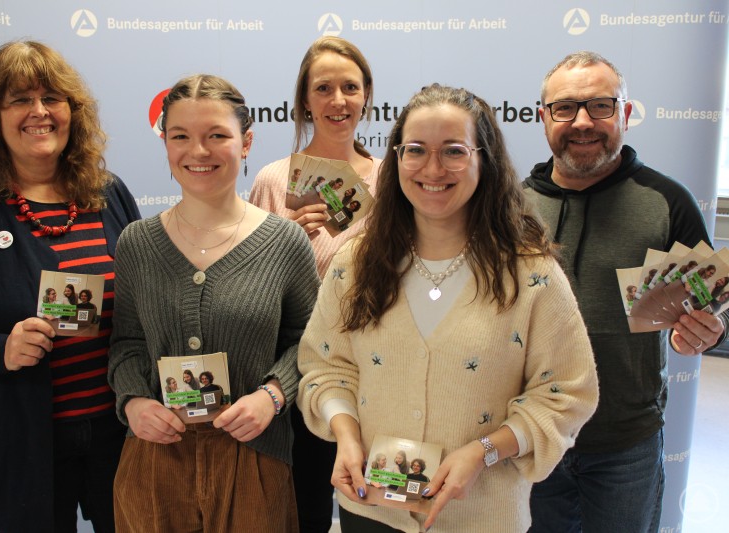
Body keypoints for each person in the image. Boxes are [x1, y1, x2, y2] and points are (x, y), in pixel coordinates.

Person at [298, 83, 599, 533]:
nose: (432, 168)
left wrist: (484, 451)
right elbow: (326, 366)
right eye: (415, 149)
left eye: (454, 151)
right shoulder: (355, 262)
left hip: (481, 515)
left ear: (485, 160)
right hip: (371, 510)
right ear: (397, 158)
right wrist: (344, 433)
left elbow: (566, 393)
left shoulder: (531, 272)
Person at [0, 40, 140, 532]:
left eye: (52, 99)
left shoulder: (108, 195)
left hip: (118, 433)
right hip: (21, 445)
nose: (39, 112)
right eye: (20, 99)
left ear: (73, 111)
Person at [523, 51, 728, 533]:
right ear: (542, 118)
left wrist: (707, 331)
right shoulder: (515, 205)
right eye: (565, 108)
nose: (582, 122)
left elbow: (713, 306)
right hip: (535, 434)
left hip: (626, 445)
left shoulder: (667, 201)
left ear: (627, 115)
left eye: (601, 106)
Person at [108, 73, 319, 533]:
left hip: (254, 457)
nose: (197, 152)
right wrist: (133, 403)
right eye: (180, 136)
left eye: (216, 136)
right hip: (155, 456)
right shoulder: (137, 243)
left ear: (246, 143)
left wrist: (274, 395)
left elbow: (311, 343)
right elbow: (127, 342)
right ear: (164, 143)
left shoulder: (285, 241)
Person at [249, 36, 381, 533]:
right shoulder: (272, 180)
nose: (338, 100)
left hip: (374, 373)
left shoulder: (392, 179)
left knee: (373, 509)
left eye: (350, 87)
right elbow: (253, 290)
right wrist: (289, 245)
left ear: (367, 94)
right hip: (298, 375)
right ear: (305, 99)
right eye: (323, 88)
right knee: (300, 512)